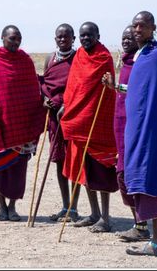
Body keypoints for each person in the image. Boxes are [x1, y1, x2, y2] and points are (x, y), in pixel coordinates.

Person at [0, 25, 45, 221]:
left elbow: (32, 88)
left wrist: (40, 106)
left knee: (17, 170)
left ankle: (13, 206)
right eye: (12, 38)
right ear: (2, 38)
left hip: (21, 125)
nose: (16, 42)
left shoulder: (25, 60)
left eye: (19, 39)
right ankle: (1, 207)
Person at [123, 11, 157, 256]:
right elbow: (138, 89)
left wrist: (149, 127)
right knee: (144, 177)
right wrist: (117, 87)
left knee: (150, 177)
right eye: (135, 26)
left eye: (142, 26)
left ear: (153, 27)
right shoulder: (141, 55)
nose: (137, 30)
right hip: (139, 127)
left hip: (151, 129)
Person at [59, 22, 118, 233]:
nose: (85, 38)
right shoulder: (79, 56)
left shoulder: (104, 57)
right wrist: (67, 105)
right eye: (82, 35)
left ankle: (106, 217)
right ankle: (93, 214)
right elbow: (74, 87)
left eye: (89, 35)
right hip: (78, 122)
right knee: (85, 172)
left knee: (101, 171)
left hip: (97, 122)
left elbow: (108, 91)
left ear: (98, 35)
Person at [102, 26, 150, 242]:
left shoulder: (142, 62)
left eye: (130, 38)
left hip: (136, 126)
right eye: (123, 38)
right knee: (123, 173)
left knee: (131, 173)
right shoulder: (125, 61)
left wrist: (117, 86)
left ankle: (141, 226)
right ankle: (139, 224)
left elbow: (141, 90)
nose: (126, 41)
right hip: (121, 125)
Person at [38, 23, 80, 222]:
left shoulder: (79, 58)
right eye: (59, 37)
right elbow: (46, 84)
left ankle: (74, 208)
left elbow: (81, 86)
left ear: (73, 39)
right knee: (59, 159)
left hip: (73, 116)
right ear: (55, 39)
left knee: (74, 160)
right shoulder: (50, 59)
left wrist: (68, 104)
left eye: (66, 37)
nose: (62, 40)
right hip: (54, 117)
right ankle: (65, 205)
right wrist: (44, 99)